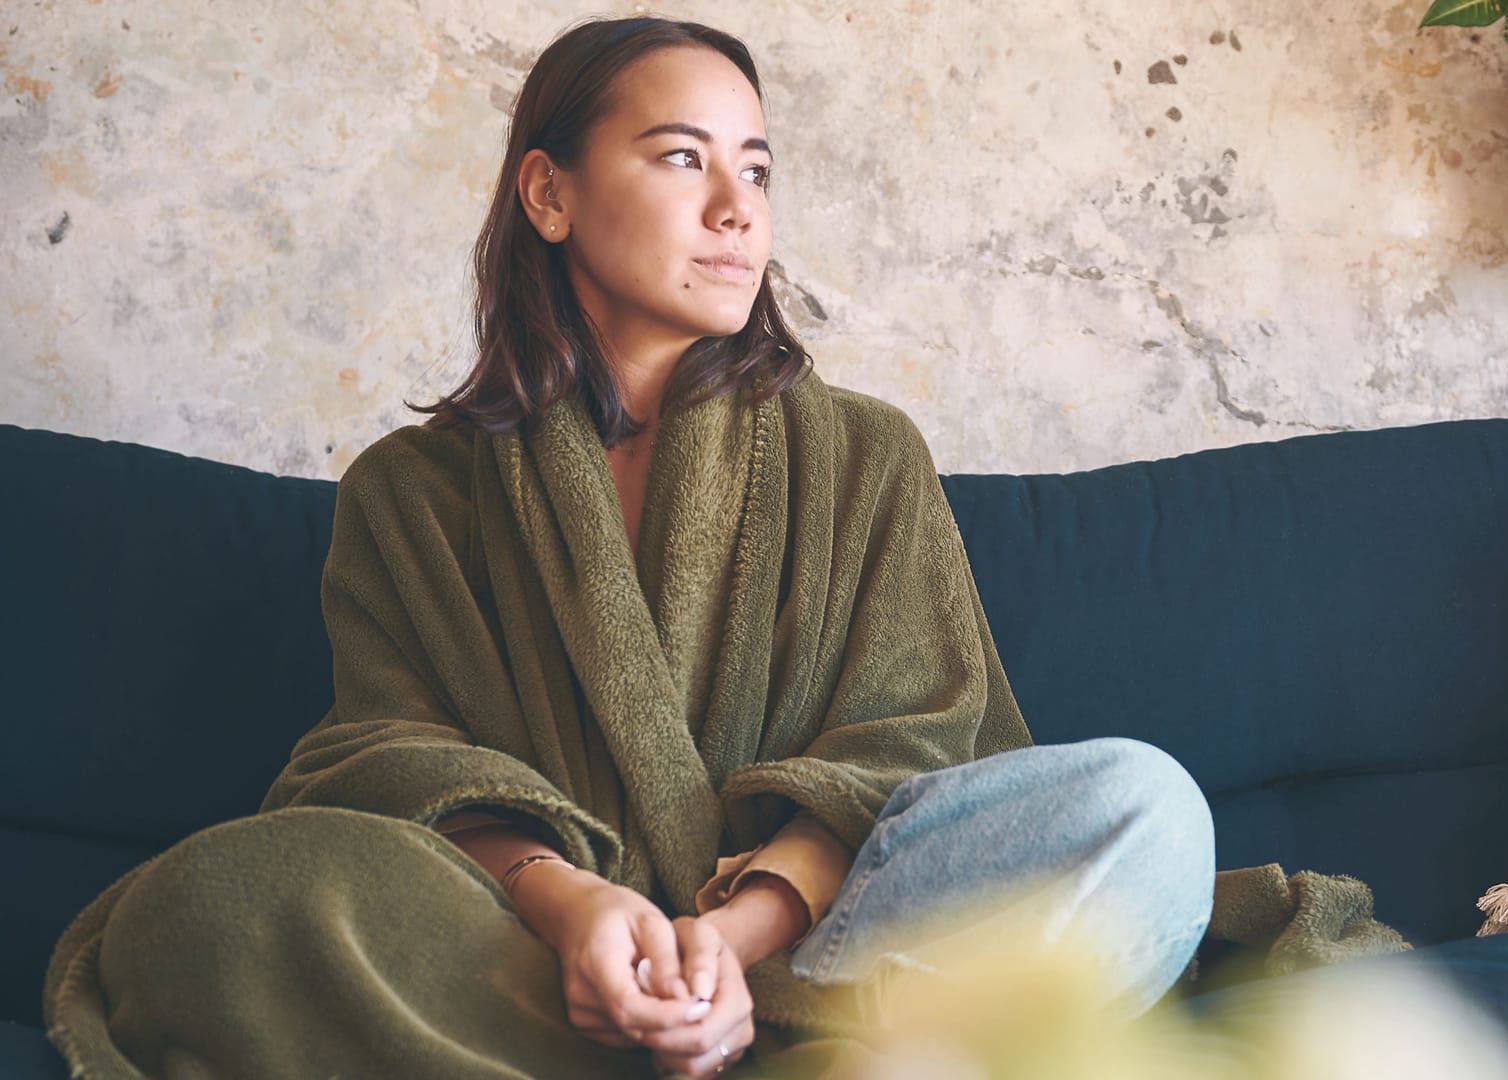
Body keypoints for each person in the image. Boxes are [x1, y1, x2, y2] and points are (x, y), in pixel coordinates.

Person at [41, 16, 1225, 1079]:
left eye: (756, 168)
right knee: (200, 906)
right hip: (543, 959)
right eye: (682, 157)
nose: (737, 207)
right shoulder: (412, 492)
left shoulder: (867, 455)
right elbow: (387, 753)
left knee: (1146, 809)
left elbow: (909, 739)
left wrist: (736, 932)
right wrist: (576, 911)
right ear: (548, 196)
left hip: (826, 939)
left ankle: (761, 1033)